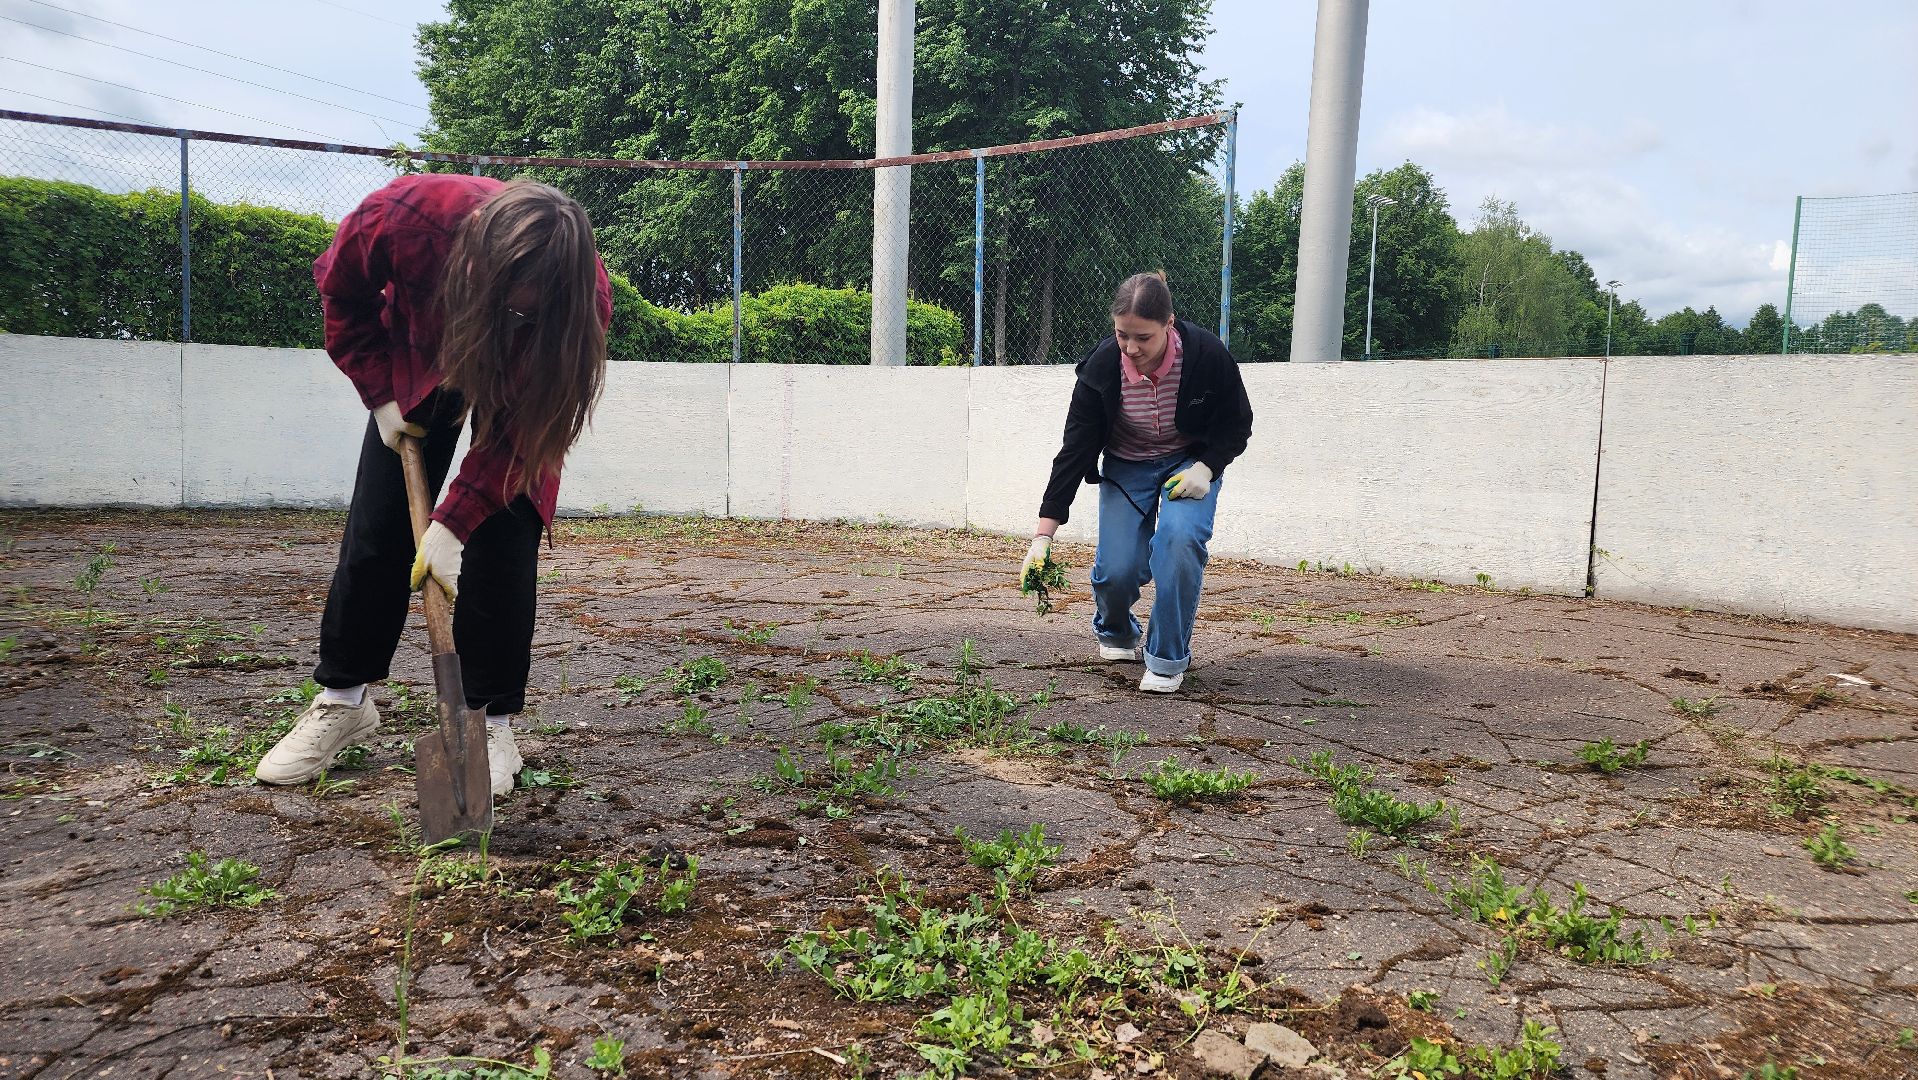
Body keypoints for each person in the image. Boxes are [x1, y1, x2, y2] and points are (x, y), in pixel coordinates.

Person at [255, 175, 612, 796]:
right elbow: (343, 293)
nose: (515, 310)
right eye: (509, 298)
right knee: (379, 527)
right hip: (423, 350)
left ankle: (488, 721)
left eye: (526, 306)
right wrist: (380, 393)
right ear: (475, 256)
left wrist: (453, 525)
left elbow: (525, 438)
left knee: (505, 536)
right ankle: (343, 700)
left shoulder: (580, 303)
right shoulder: (402, 218)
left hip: (524, 382)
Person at [1022, 272, 1253, 694]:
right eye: (1122, 334)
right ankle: (1115, 629)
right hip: (1127, 464)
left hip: (1188, 464)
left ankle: (1166, 658)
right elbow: (1075, 450)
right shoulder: (1102, 367)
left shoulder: (1206, 355)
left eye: (1143, 337)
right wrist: (1043, 535)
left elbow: (1237, 424)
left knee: (1180, 540)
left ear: (1169, 323)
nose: (1130, 348)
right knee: (1117, 569)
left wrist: (1208, 466)